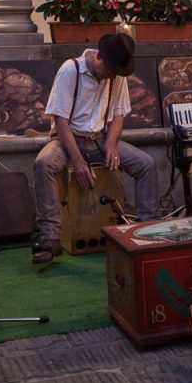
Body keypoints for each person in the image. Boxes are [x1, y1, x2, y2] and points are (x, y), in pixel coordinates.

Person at [32, 33, 159, 263]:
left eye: (116, 72)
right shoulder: (70, 70)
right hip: (67, 139)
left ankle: (148, 230)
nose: (112, 76)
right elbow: (60, 121)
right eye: (110, 70)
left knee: (146, 164)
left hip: (99, 139)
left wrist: (110, 143)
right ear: (99, 56)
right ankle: (50, 237)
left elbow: (118, 115)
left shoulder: (116, 73)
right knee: (44, 163)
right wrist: (77, 160)